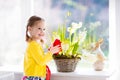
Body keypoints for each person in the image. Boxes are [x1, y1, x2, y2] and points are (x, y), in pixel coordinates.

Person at [22, 16, 60, 80]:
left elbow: (41, 59)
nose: (42, 31)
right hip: (33, 77)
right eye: (39, 28)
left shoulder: (36, 44)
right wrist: (50, 52)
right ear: (30, 29)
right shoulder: (33, 45)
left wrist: (50, 52)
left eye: (44, 29)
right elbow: (41, 61)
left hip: (36, 77)